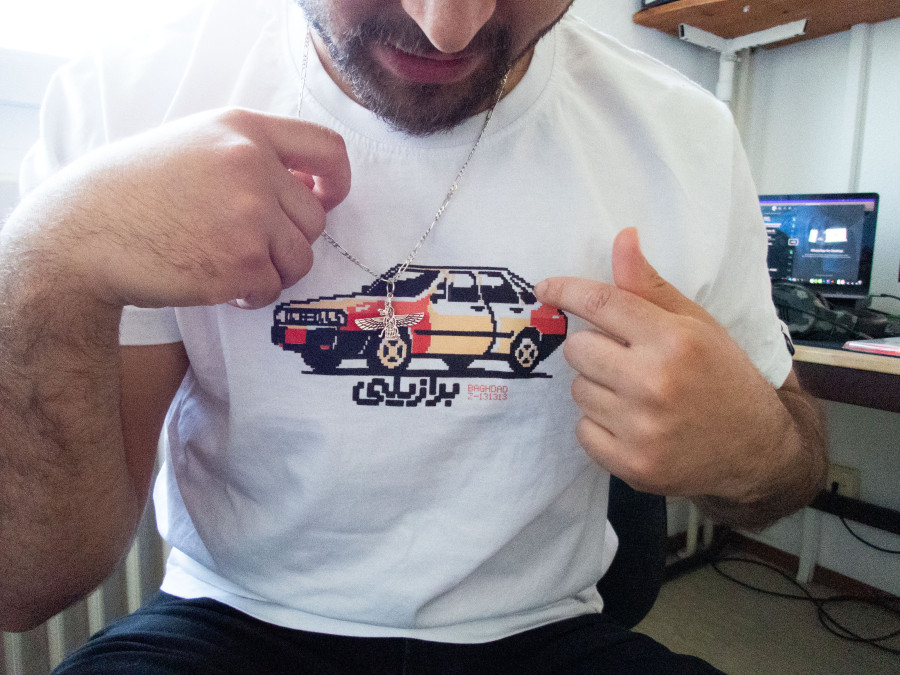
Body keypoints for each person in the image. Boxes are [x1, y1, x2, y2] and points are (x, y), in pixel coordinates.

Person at [0, 0, 827, 671]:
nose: (449, 27)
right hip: (226, 620)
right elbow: (22, 585)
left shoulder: (685, 139)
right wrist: (53, 259)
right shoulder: (133, 95)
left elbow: (792, 466)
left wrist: (753, 445)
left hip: (544, 632)